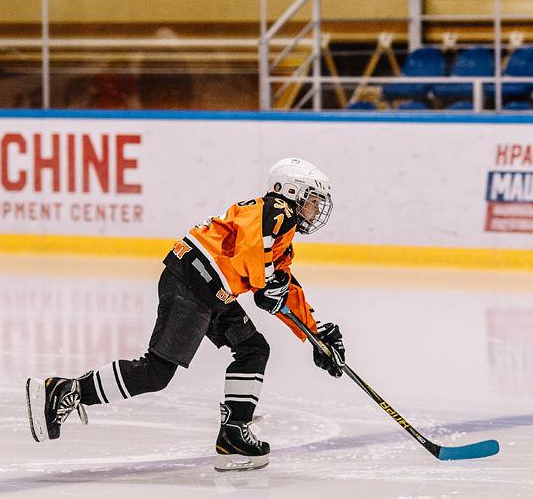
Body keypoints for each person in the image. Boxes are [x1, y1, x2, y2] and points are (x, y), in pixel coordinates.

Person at [25, 157, 346, 472]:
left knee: (253, 349)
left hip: (208, 288)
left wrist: (316, 334)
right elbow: (255, 248)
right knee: (156, 372)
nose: (316, 210)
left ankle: (234, 432)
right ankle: (65, 391)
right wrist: (266, 283)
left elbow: (284, 286)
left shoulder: (281, 234)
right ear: (290, 192)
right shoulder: (277, 211)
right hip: (193, 283)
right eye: (313, 200)